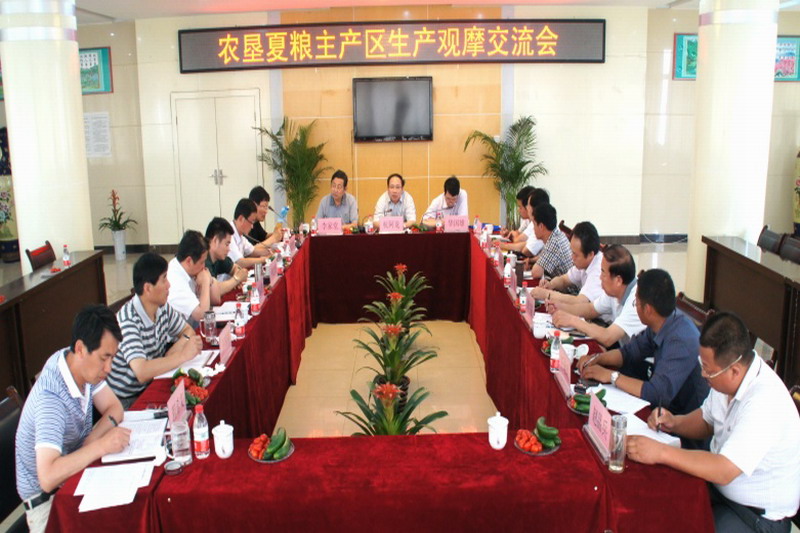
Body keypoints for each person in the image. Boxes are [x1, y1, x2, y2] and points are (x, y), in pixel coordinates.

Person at [627, 312, 800, 532]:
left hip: (755, 517)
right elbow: (707, 420)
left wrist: (660, 451)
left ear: (734, 371)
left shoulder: (765, 403)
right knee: (658, 501)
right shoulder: (727, 379)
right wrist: (674, 422)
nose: (703, 374)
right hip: (719, 489)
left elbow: (724, 470)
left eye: (708, 370)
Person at [15, 305, 131, 532]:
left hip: (74, 478)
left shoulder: (79, 364)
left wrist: (90, 441)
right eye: (104, 358)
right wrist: (100, 446)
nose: (109, 368)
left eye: (112, 358)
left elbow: (115, 408)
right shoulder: (51, 397)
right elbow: (48, 477)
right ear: (80, 349)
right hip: (48, 505)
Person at [578, 269, 710, 433]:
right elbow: (628, 353)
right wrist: (597, 359)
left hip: (680, 427)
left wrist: (610, 376)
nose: (636, 307)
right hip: (660, 413)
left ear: (648, 309)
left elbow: (656, 393)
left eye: (636, 303)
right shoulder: (661, 322)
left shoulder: (680, 340)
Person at [107, 253, 202, 408]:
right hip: (128, 398)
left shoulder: (162, 307)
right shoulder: (128, 320)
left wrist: (172, 354)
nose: (169, 285)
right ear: (148, 288)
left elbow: (187, 331)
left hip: (155, 380)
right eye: (164, 279)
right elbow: (142, 372)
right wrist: (182, 355)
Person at [549, 244, 645, 347]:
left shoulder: (637, 301)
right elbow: (591, 309)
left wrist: (573, 320)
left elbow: (608, 337)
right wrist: (560, 307)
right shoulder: (616, 290)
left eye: (603, 273)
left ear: (618, 280)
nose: (600, 278)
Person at [531, 221, 603, 304]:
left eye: (575, 254)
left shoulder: (599, 270)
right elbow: (564, 280)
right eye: (572, 252)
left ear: (590, 254)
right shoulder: (584, 263)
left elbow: (580, 302)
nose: (572, 258)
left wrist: (548, 294)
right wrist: (550, 285)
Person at [167, 230, 225, 324]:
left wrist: (209, 279)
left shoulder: (190, 269)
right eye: (202, 262)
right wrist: (206, 282)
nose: (204, 266)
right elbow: (202, 315)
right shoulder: (175, 280)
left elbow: (216, 299)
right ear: (189, 261)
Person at [527, 202, 572, 279]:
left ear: (541, 226)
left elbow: (536, 273)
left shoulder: (554, 242)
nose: (533, 229)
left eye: (534, 224)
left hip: (567, 286)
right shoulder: (557, 234)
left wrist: (532, 264)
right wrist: (530, 261)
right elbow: (545, 256)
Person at [205, 217, 248, 296]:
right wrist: (236, 279)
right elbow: (213, 291)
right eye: (227, 244)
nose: (229, 249)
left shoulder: (218, 257)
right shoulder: (202, 259)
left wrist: (237, 273)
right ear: (215, 241)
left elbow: (235, 268)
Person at [229, 198, 271, 269]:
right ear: (241, 219)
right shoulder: (228, 234)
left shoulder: (240, 234)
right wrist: (264, 260)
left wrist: (269, 252)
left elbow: (252, 251)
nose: (252, 226)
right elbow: (240, 262)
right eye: (251, 222)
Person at [498, 186, 535, 252]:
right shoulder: (526, 220)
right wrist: (509, 233)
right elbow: (518, 233)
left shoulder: (535, 223)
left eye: (520, 207)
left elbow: (518, 240)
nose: (518, 210)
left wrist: (503, 245)